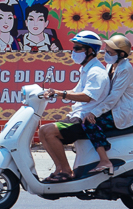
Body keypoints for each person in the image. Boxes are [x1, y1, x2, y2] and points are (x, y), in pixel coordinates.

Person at [37, 30, 109, 183]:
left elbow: (87, 96)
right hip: (78, 116)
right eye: (73, 48)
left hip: (85, 120)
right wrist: (54, 93)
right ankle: (59, 168)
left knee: (48, 131)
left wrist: (61, 93)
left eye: (77, 48)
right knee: (42, 131)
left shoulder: (96, 72)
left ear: (90, 51)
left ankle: (67, 171)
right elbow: (76, 91)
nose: (73, 52)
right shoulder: (86, 69)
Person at [75, 34, 133, 175]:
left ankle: (105, 160)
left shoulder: (125, 68)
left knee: (88, 122)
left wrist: (94, 112)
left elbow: (113, 97)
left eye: (110, 52)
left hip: (124, 111)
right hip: (113, 109)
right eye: (106, 51)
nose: (106, 54)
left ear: (121, 54)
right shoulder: (110, 66)